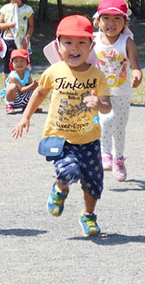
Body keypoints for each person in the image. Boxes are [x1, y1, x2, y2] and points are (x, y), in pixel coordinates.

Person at [12, 15, 112, 236]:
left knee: (93, 182)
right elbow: (39, 93)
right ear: (58, 46)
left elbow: (107, 105)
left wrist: (100, 104)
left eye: (81, 43)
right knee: (69, 171)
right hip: (61, 138)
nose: (74, 48)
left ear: (91, 46)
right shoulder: (54, 71)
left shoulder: (97, 75)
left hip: (89, 140)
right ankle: (60, 189)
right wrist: (25, 116)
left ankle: (88, 216)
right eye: (68, 43)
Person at [93, 0, 142, 181]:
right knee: (106, 120)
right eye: (106, 18)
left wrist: (137, 74)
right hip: (101, 92)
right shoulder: (93, 40)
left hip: (121, 93)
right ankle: (105, 154)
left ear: (125, 22)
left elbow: (135, 66)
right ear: (98, 20)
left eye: (117, 19)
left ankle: (118, 159)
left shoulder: (126, 42)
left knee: (120, 128)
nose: (111, 24)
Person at [0, 0, 34, 87]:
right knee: (8, 65)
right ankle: (6, 89)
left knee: (23, 64)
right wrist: (9, 24)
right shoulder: (6, 8)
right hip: (8, 40)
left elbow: (31, 26)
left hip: (22, 42)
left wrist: (27, 38)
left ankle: (25, 86)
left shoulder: (27, 9)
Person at [4, 49, 39, 114]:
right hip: (15, 99)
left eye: (22, 61)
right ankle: (10, 105)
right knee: (12, 86)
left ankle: (28, 106)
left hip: (24, 98)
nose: (19, 63)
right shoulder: (12, 76)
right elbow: (21, 90)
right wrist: (32, 85)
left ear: (27, 63)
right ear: (12, 64)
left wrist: (35, 85)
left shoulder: (27, 72)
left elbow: (30, 85)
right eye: (16, 61)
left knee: (37, 89)